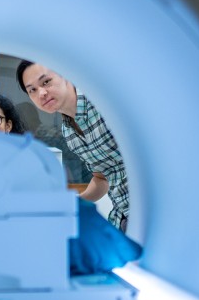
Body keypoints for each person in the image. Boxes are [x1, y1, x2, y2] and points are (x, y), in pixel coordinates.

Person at [17, 61, 130, 232]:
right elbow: (102, 178)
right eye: (32, 90)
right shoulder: (68, 132)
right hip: (122, 217)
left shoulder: (103, 104)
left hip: (152, 208)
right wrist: (71, 204)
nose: (41, 93)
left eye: (46, 82)